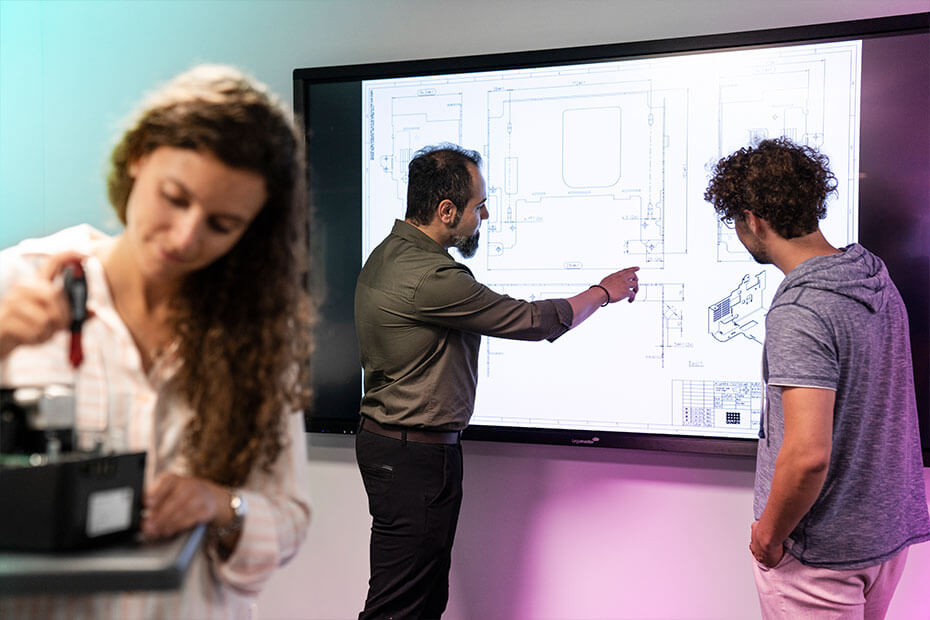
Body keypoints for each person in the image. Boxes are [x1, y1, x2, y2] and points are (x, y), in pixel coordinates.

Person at [0, 65, 312, 618]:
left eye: (222, 224)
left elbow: (288, 518)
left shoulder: (259, 335)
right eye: (174, 197)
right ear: (140, 156)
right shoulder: (16, 283)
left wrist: (222, 504)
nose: (186, 237)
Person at [354, 143, 640, 619]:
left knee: (415, 602)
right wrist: (602, 292)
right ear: (446, 211)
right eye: (477, 205)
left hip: (401, 451)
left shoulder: (389, 254)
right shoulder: (430, 277)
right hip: (414, 460)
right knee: (400, 609)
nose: (484, 215)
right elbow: (532, 321)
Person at [704, 137, 930, 619]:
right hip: (883, 538)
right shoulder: (871, 274)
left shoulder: (801, 308)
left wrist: (768, 534)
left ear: (752, 220)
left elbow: (807, 455)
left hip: (818, 554)